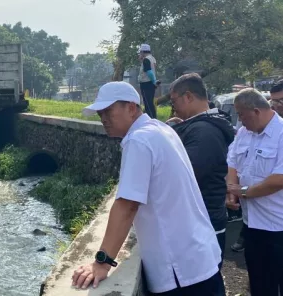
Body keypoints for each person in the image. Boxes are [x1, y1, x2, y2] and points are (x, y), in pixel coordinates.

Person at [72, 81, 224, 295]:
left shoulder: (139, 141)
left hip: (181, 271)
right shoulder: (161, 129)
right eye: (100, 113)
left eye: (108, 111)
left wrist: (102, 262)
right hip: (201, 256)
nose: (103, 118)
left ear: (131, 108)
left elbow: (127, 206)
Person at [166, 73, 234, 268]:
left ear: (188, 97)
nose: (174, 108)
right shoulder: (200, 126)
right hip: (201, 221)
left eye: (174, 102)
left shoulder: (204, 131)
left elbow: (186, 175)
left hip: (205, 223)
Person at [226, 88, 283, 296]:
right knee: (259, 285)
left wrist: (243, 192)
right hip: (252, 226)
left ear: (256, 111)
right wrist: (232, 190)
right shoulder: (244, 132)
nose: (239, 119)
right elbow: (232, 162)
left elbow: (279, 179)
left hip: (278, 228)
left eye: (241, 114)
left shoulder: (281, 134)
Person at [137, 44, 159, 119]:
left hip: (146, 83)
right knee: (150, 103)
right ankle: (153, 118)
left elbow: (149, 72)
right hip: (150, 83)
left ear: (143, 51)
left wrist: (154, 81)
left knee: (148, 104)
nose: (140, 54)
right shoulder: (152, 58)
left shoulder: (146, 60)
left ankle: (152, 119)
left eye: (140, 52)